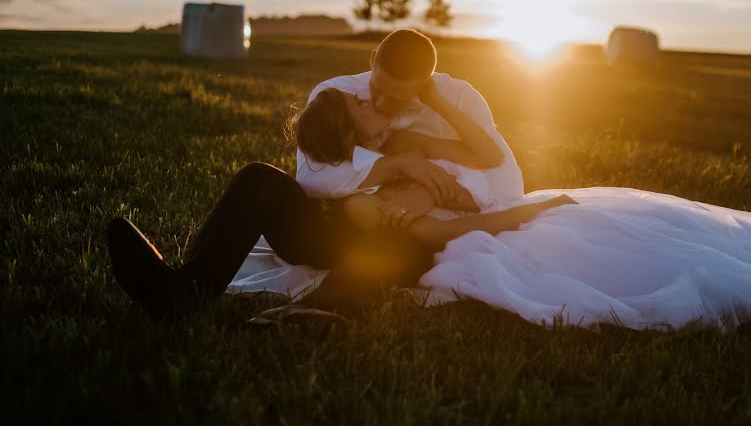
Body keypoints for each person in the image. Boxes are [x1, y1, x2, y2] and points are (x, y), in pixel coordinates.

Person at [238, 83, 751, 333]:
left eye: (370, 105)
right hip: (374, 223)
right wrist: (397, 175)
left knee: (401, 241)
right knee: (260, 183)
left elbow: (485, 175)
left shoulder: (424, 117)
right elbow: (328, 180)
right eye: (363, 111)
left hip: (436, 223)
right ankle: (181, 284)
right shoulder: (351, 153)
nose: (370, 104)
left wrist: (501, 206)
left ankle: (323, 312)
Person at [107, 29, 528, 318]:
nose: (379, 102)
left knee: (399, 243)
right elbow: (312, 179)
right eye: (376, 89)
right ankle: (184, 293)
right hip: (326, 231)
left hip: (397, 238)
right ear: (371, 61)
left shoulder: (461, 99)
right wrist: (396, 165)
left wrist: (429, 191)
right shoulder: (337, 95)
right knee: (257, 178)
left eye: (397, 98)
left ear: (427, 83)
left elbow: (506, 177)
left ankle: (314, 312)